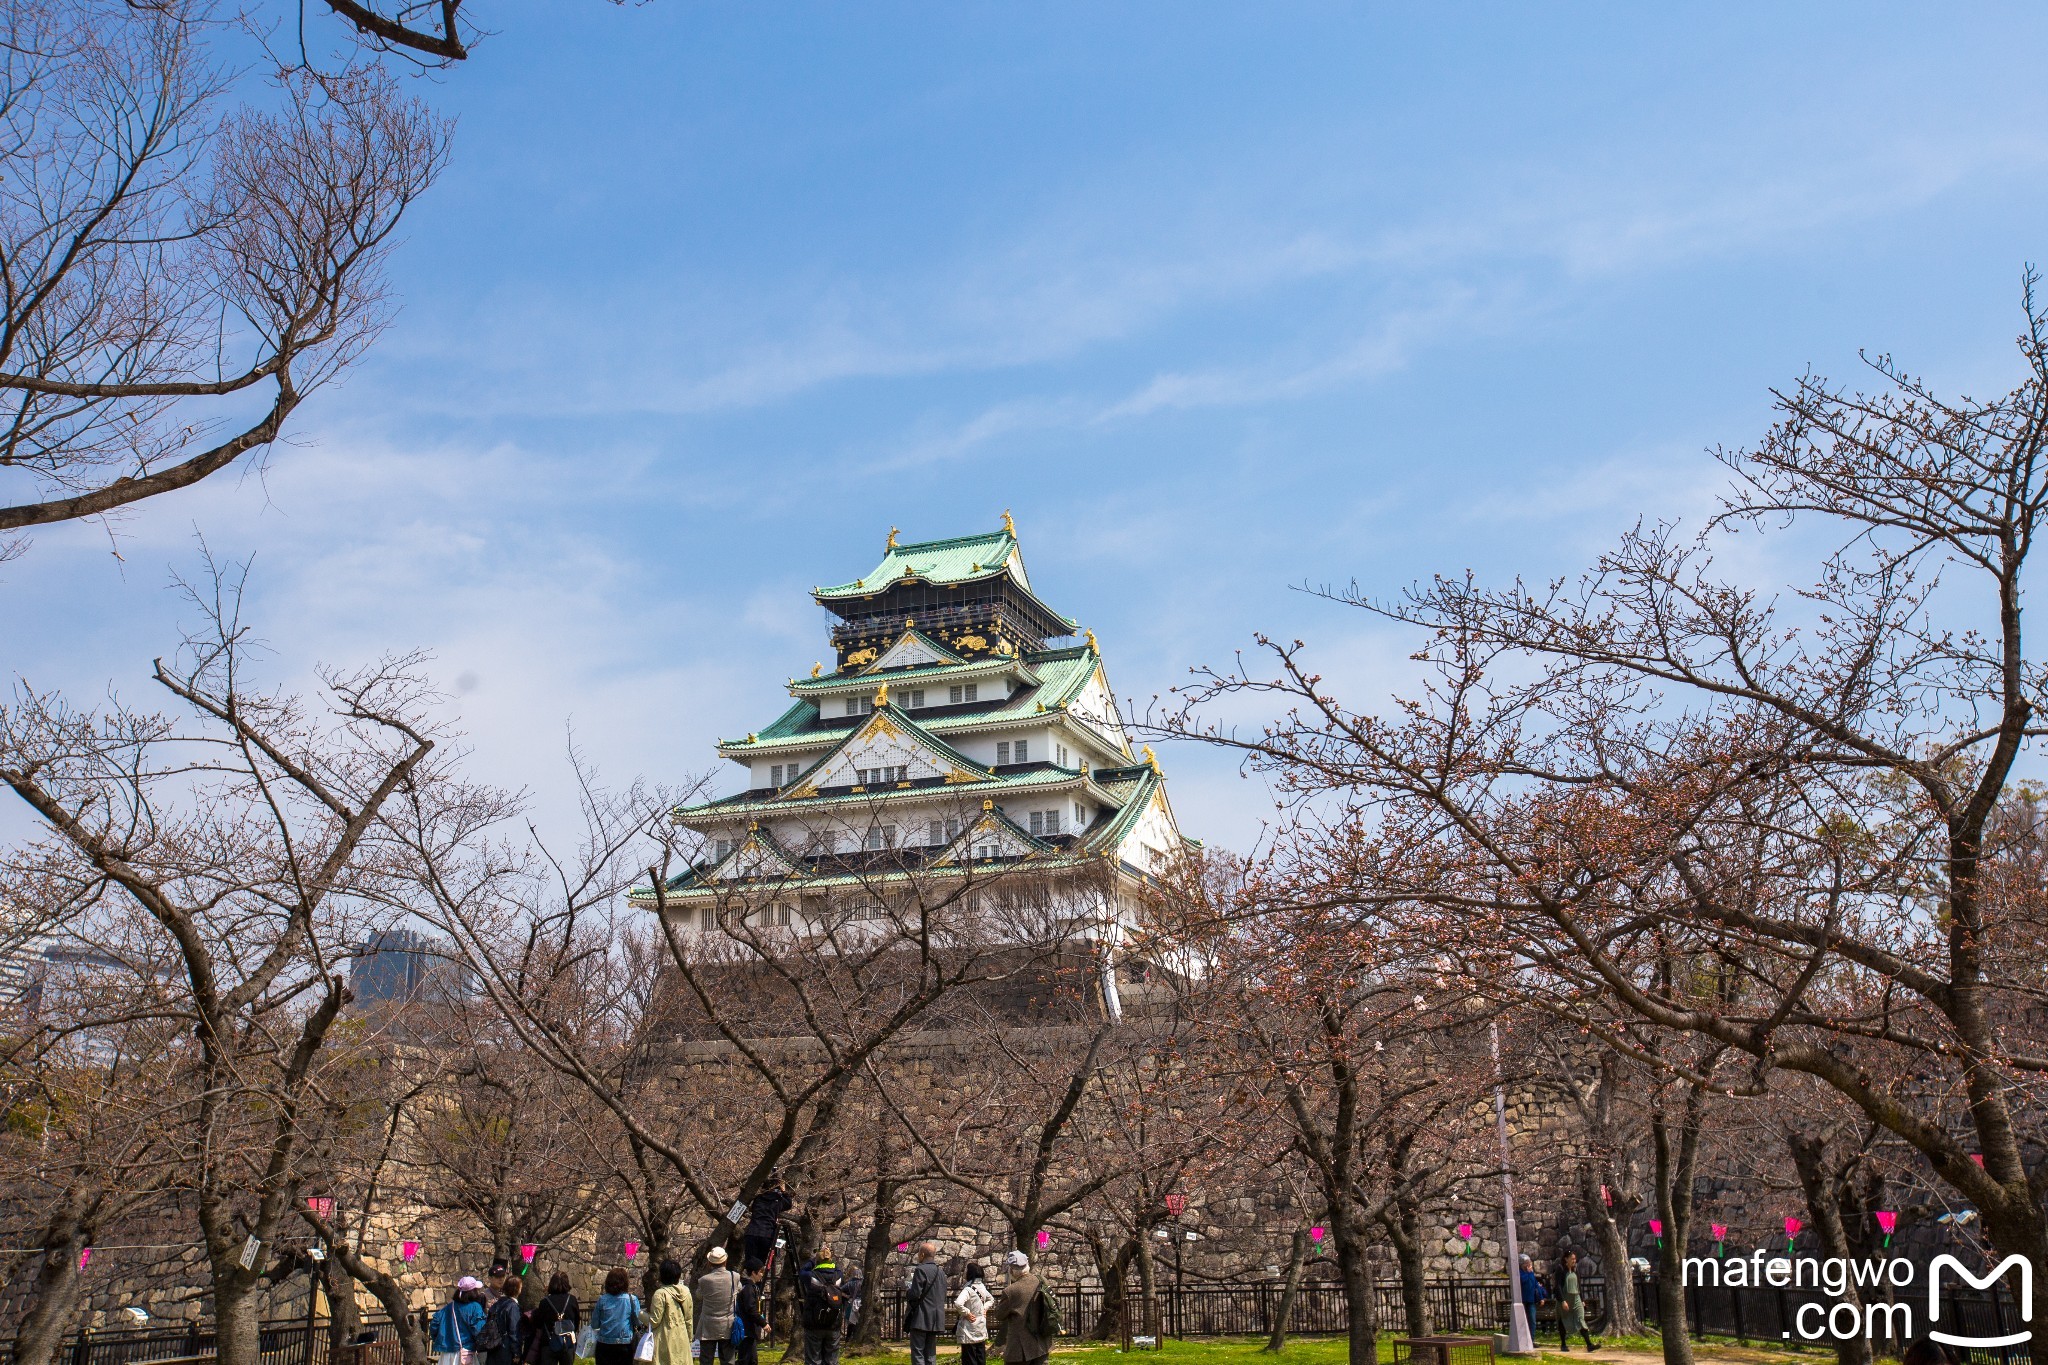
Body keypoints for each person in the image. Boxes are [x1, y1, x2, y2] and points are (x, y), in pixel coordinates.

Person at [993, 1251, 1048, 1365]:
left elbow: (999, 1315)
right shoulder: (1042, 1281)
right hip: (1042, 1342)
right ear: (1027, 1265)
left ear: (1012, 1270)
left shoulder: (1011, 1291)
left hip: (1019, 1348)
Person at [798, 1244, 847, 1365]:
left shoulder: (811, 1276)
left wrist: (813, 1260)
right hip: (833, 1323)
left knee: (813, 1360)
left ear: (817, 1261)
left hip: (814, 1323)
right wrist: (828, 1256)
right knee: (832, 1360)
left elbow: (802, 1271)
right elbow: (838, 1269)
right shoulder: (838, 1275)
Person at [696, 1246, 743, 1365]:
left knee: (706, 1359)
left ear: (710, 1262)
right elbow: (739, 1289)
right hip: (727, 1324)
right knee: (728, 1360)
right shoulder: (734, 1277)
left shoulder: (704, 1280)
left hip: (708, 1326)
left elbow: (698, 1296)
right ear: (725, 1261)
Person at [903, 1243, 947, 1365]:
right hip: (936, 1318)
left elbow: (915, 1294)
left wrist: (908, 1291)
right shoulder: (941, 1272)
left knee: (918, 1352)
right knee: (931, 1353)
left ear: (922, 1254)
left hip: (921, 1317)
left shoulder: (920, 1270)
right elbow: (943, 1294)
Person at [590, 1268, 643, 1365]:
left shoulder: (602, 1300)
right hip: (625, 1344)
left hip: (604, 1344)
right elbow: (638, 1323)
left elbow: (594, 1324)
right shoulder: (632, 1299)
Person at [649, 1259, 695, 1365]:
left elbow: (654, 1321)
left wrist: (641, 1315)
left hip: (664, 1340)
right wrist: (689, 1340)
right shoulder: (686, 1292)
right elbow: (689, 1319)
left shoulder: (660, 1294)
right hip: (682, 1338)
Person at [431, 1277, 488, 1365]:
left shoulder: (449, 1307)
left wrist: (441, 1340)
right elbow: (479, 1331)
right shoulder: (475, 1307)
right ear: (473, 1291)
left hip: (446, 1355)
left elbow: (434, 1324)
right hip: (466, 1354)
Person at [529, 1272, 582, 1365]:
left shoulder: (544, 1302)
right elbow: (577, 1320)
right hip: (568, 1341)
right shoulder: (572, 1300)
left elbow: (539, 1323)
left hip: (549, 1342)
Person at [744, 1177, 795, 1270]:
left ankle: (749, 1279)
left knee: (749, 1261)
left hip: (752, 1231)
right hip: (767, 1233)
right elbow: (788, 1204)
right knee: (760, 1262)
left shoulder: (758, 1198)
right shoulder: (778, 1200)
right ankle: (758, 1281)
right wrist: (784, 1192)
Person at [1554, 1251, 1597, 1352]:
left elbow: (1578, 1286)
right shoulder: (1560, 1269)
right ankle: (1563, 1344)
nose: (1574, 1261)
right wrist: (1562, 1301)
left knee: (1580, 1319)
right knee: (1562, 1320)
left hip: (1576, 1298)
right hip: (1565, 1299)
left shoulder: (1575, 1270)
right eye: (1572, 1259)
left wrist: (1582, 1300)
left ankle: (1589, 1344)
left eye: (1575, 1259)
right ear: (1566, 1259)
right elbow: (1558, 1286)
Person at [954, 1265, 994, 1365]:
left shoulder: (968, 1289)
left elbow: (958, 1303)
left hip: (968, 1330)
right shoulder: (982, 1287)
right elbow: (991, 1299)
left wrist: (967, 1313)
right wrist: (984, 1308)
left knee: (969, 1360)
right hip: (980, 1327)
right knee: (981, 1359)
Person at [481, 1276, 526, 1365]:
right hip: (506, 1349)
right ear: (516, 1289)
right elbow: (514, 1331)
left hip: (493, 1346)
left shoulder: (497, 1304)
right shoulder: (512, 1307)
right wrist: (516, 1352)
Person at [735, 1263, 768, 1365]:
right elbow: (751, 1310)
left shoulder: (752, 1287)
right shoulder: (748, 1288)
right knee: (745, 1359)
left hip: (749, 1330)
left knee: (752, 1360)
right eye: (760, 1272)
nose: (762, 1275)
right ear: (753, 1273)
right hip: (746, 1329)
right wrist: (763, 1323)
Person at [1517, 1254, 1548, 1340]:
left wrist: (1541, 1297)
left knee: (1532, 1320)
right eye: (1526, 1263)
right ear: (1522, 1264)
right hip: (1523, 1299)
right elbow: (1523, 1281)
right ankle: (1523, 1339)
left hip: (1531, 1300)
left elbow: (1536, 1285)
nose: (1528, 1264)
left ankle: (1532, 1339)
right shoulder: (1520, 1273)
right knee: (1524, 1320)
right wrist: (1529, 1273)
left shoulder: (1530, 1273)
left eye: (1529, 1262)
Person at [838, 1263, 864, 1336]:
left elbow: (839, 1290)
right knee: (859, 1321)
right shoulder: (863, 1282)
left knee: (851, 1322)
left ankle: (848, 1338)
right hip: (862, 1302)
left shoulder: (849, 1283)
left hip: (851, 1302)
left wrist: (847, 1296)